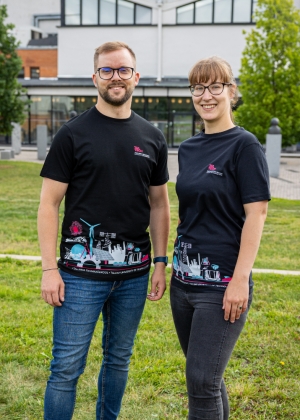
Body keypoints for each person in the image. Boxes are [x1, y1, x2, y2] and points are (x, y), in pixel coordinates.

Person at [38, 41, 170, 420]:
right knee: (65, 369)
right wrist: (50, 269)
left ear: (136, 77)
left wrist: (160, 262)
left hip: (133, 276)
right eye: (108, 70)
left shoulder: (152, 137)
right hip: (79, 278)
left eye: (124, 70)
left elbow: (160, 204)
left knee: (118, 361)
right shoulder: (72, 134)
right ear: (95, 77)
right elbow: (49, 204)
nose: (116, 77)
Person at [170, 56, 270, 420]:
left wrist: (240, 280)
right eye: (198, 87)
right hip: (183, 284)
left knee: (201, 379)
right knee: (208, 380)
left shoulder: (245, 146)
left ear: (231, 91)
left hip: (222, 284)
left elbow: (256, 212)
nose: (205, 95)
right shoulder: (189, 148)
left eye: (214, 86)